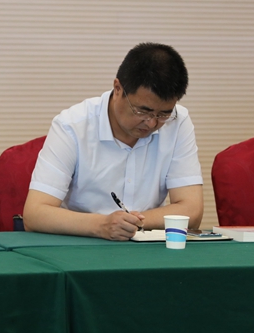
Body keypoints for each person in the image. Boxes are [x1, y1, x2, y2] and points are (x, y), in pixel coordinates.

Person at [23, 42, 203, 241]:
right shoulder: (72, 126)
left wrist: (131, 223)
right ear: (118, 88)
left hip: (148, 246)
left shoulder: (178, 122)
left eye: (163, 114)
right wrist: (102, 225)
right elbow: (35, 214)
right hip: (82, 243)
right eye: (142, 111)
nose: (152, 123)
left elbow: (192, 211)